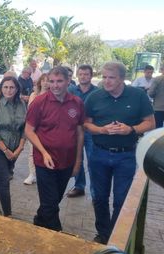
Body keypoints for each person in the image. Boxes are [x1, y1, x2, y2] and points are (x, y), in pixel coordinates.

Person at [84, 61, 155, 244]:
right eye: (105, 77)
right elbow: (86, 123)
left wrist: (130, 129)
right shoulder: (94, 97)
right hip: (98, 154)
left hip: (126, 156)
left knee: (121, 199)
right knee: (99, 197)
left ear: (123, 78)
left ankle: (116, 237)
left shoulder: (138, 96)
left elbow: (150, 123)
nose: (106, 81)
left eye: (111, 78)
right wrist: (101, 130)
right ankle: (103, 234)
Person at [25, 66, 85, 231]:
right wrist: (43, 152)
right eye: (51, 81)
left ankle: (39, 221)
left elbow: (80, 133)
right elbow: (28, 130)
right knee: (50, 203)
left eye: (59, 81)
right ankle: (57, 234)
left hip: (67, 162)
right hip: (45, 162)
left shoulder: (77, 103)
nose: (55, 85)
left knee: (53, 200)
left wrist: (78, 161)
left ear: (68, 81)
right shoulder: (39, 102)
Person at [0, 76, 27, 216]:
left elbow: (24, 128)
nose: (8, 90)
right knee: (5, 179)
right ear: (1, 89)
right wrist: (6, 151)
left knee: (0, 175)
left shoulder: (22, 105)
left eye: (12, 87)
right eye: (5, 87)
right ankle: (8, 215)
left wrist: (20, 147)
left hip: (15, 148)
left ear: (17, 89)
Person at [66, 64, 99, 197]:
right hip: (75, 131)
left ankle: (95, 191)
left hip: (91, 132)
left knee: (92, 161)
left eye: (86, 74)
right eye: (81, 74)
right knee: (76, 159)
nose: (83, 76)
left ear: (91, 76)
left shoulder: (98, 92)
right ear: (77, 75)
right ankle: (79, 186)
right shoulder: (70, 90)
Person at [23, 73, 49, 185]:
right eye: (44, 80)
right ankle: (32, 174)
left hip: (46, 129)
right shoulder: (34, 95)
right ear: (40, 82)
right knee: (32, 152)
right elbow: (29, 111)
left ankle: (45, 174)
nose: (46, 83)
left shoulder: (53, 95)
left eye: (48, 80)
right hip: (33, 128)